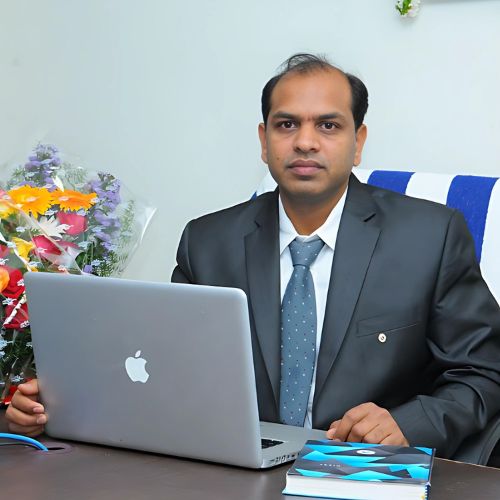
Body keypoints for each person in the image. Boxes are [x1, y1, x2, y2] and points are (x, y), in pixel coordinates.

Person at [6, 54, 500, 458]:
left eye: (328, 125)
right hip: (236, 469)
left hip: (365, 469)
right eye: (287, 124)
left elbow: (484, 373)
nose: (305, 141)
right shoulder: (208, 241)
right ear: (264, 141)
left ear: (358, 142)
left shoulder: (430, 236)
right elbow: (166, 372)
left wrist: (407, 423)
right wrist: (60, 403)